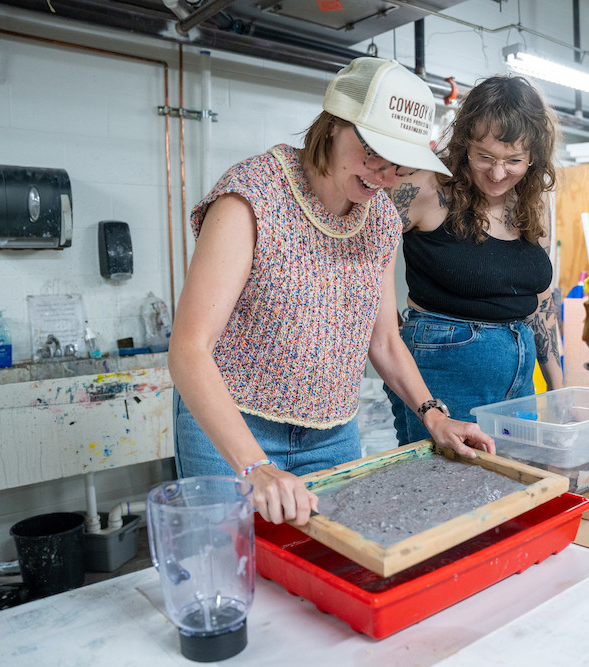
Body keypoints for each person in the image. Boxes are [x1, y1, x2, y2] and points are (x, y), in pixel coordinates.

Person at [168, 57, 494, 528]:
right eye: (373, 153)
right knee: (235, 568)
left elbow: (382, 339)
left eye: (398, 164)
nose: (383, 175)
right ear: (334, 124)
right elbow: (188, 349)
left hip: (331, 432)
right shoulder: (252, 197)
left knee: (326, 566)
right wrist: (255, 466)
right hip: (234, 427)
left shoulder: (380, 218)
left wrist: (433, 415)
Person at [385, 74, 562, 445]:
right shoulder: (424, 187)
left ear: (533, 157)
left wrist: (559, 393)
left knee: (513, 483)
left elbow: (542, 300)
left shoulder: (535, 199)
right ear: (465, 143)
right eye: (485, 157)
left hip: (520, 372)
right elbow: (361, 268)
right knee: (448, 492)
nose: (498, 174)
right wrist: (394, 340)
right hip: (445, 371)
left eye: (514, 160)